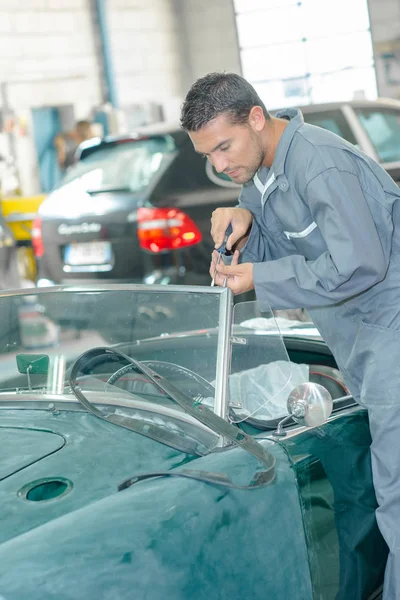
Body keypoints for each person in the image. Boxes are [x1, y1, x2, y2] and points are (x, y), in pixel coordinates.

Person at [180, 72, 400, 599]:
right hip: (362, 346)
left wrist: (262, 277)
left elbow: (359, 265)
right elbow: (278, 257)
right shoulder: (258, 177)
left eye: (224, 147)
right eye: (208, 156)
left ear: (256, 117)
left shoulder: (319, 164)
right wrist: (240, 232)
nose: (220, 164)